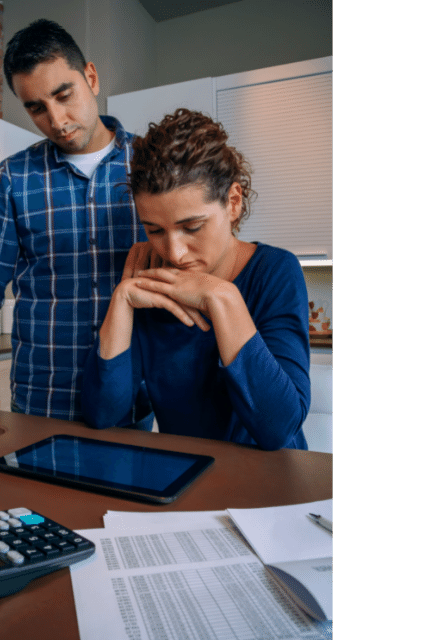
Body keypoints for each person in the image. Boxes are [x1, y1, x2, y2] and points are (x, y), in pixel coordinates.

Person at [0, 19, 151, 449]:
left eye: (63, 95)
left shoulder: (149, 164)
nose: (56, 120)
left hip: (133, 400)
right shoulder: (14, 177)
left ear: (90, 76)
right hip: (41, 405)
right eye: (36, 108)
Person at [80, 109, 311, 451]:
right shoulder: (149, 276)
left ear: (233, 203)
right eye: (155, 230)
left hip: (270, 486)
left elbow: (278, 428)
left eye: (192, 227)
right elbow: (102, 414)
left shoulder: (276, 271)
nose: (174, 252)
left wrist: (222, 297)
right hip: (186, 479)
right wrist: (122, 302)